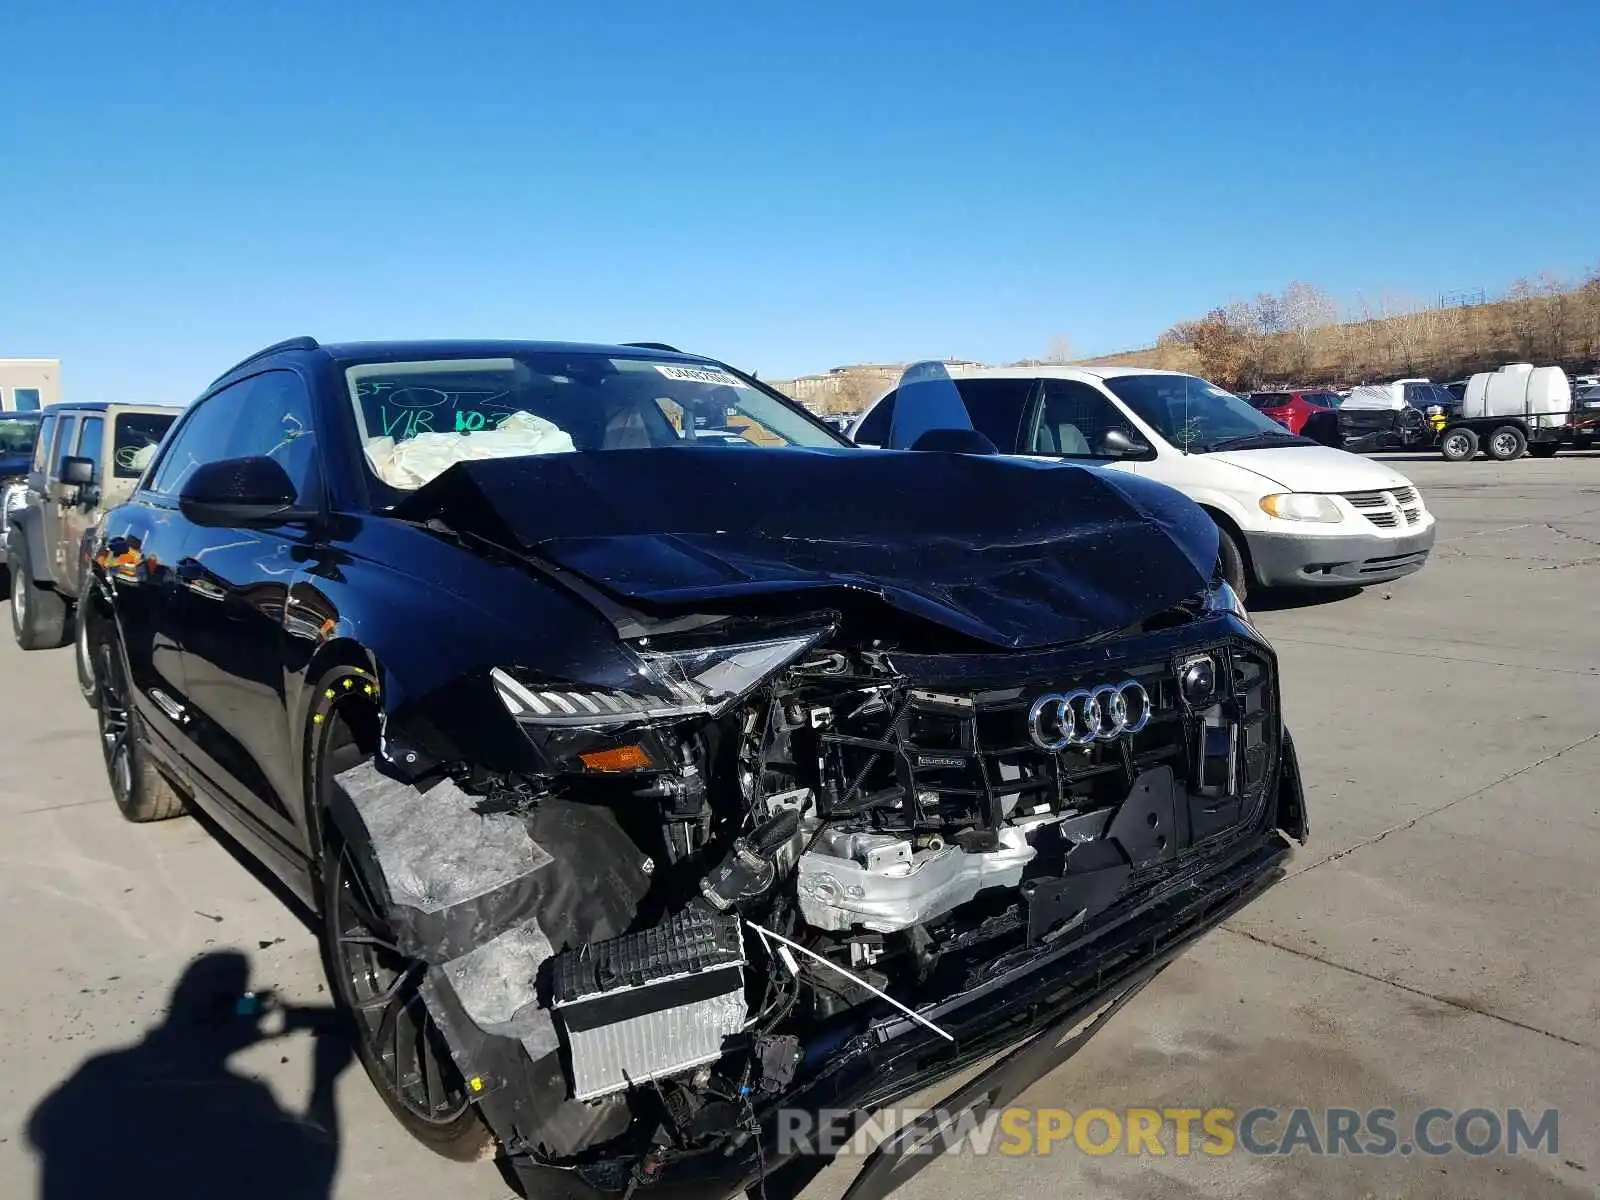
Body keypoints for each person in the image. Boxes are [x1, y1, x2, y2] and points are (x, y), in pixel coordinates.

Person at [27, 951, 354, 1200]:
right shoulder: (241, 1102)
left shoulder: (104, 1073)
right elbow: (317, 1163)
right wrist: (325, 1076)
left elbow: (42, 1128)